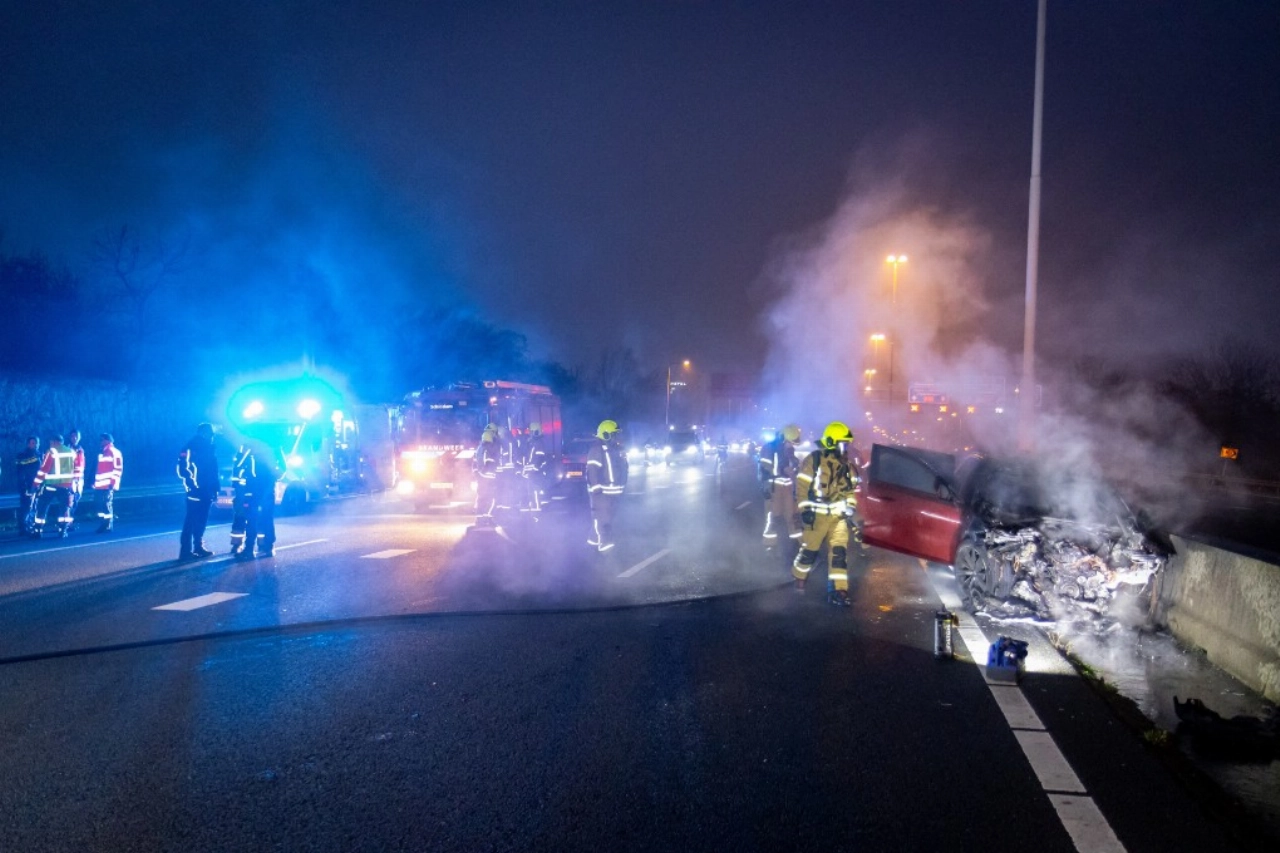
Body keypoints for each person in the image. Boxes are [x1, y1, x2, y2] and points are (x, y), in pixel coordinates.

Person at [792, 421, 862, 607]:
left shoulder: (846, 465)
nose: (846, 447)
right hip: (816, 517)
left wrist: (851, 507)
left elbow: (850, 491)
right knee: (809, 552)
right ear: (832, 442)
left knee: (839, 553)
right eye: (843, 443)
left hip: (838, 517)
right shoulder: (813, 460)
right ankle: (799, 580)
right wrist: (805, 510)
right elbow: (801, 488)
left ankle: (839, 590)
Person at [177, 422, 220, 560]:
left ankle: (197, 547)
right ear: (204, 433)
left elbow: (213, 471)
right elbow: (183, 469)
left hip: (205, 489)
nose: (212, 436)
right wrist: (194, 486)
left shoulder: (208, 447)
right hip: (197, 490)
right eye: (210, 433)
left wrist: (214, 487)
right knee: (191, 520)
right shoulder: (192, 446)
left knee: (201, 519)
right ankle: (186, 550)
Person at [586, 419, 628, 552]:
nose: (617, 437)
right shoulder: (597, 450)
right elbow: (591, 471)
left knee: (606, 517)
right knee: (603, 519)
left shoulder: (615, 450)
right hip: (602, 493)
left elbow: (622, 469)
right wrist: (596, 488)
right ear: (606, 435)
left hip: (613, 493)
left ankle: (592, 543)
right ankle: (605, 546)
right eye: (614, 434)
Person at [29, 433, 83, 538]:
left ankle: (38, 530)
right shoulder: (71, 452)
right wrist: (74, 482)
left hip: (51, 485)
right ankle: (63, 530)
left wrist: (35, 484)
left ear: (54, 441)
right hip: (66, 486)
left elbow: (43, 470)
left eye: (50, 442)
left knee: (42, 507)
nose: (50, 444)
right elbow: (77, 469)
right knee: (65, 509)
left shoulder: (52, 452)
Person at [760, 424, 802, 544]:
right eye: (790, 442)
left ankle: (798, 541)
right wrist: (781, 470)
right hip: (773, 486)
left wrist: (794, 466)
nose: (792, 445)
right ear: (785, 438)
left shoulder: (788, 449)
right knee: (772, 515)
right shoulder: (769, 448)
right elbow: (765, 468)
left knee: (792, 514)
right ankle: (769, 543)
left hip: (787, 486)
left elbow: (793, 463)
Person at [244, 442, 282, 558]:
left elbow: (282, 467)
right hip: (258, 489)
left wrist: (274, 477)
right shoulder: (272, 449)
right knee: (261, 519)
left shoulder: (271, 449)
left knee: (258, 519)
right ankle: (261, 547)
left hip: (261, 490)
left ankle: (258, 547)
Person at [86, 433, 124, 533]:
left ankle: (107, 525)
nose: (100, 442)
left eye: (102, 440)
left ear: (108, 441)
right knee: (100, 505)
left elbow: (118, 469)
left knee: (106, 505)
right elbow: (97, 469)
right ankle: (104, 523)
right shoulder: (102, 453)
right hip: (100, 485)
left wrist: (113, 482)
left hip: (108, 485)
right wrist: (93, 481)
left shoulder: (114, 452)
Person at [229, 443, 259, 556]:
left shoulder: (240, 456)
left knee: (241, 519)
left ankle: (238, 545)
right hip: (247, 494)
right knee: (249, 519)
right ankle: (246, 547)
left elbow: (236, 477)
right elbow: (252, 476)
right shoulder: (249, 456)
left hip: (242, 494)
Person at [472, 424, 500, 527]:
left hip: (481, 478)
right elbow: (490, 464)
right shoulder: (489, 449)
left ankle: (482, 519)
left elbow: (475, 464)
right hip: (488, 479)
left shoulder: (479, 448)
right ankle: (485, 519)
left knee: (482, 499)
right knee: (489, 499)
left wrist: (477, 474)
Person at [13, 436, 40, 536]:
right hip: (27, 486)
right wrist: (24, 486)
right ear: (28, 444)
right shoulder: (22, 456)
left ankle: (30, 524)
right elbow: (20, 472)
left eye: (36, 443)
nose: (35, 445)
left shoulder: (38, 455)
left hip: (36, 485)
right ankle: (23, 527)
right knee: (26, 506)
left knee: (34, 506)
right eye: (33, 443)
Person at [521, 421, 550, 513]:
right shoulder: (533, 443)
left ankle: (536, 512)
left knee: (535, 492)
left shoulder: (538, 444)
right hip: (533, 473)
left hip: (537, 473)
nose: (529, 433)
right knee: (532, 492)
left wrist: (531, 471)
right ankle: (534, 511)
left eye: (530, 431)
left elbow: (538, 460)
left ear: (536, 432)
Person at [64, 428, 87, 530]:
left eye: (76, 436)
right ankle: (67, 524)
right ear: (70, 437)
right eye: (73, 436)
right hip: (71, 479)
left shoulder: (81, 450)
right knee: (69, 502)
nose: (74, 438)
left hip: (79, 479)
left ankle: (70, 521)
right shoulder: (67, 449)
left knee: (75, 502)